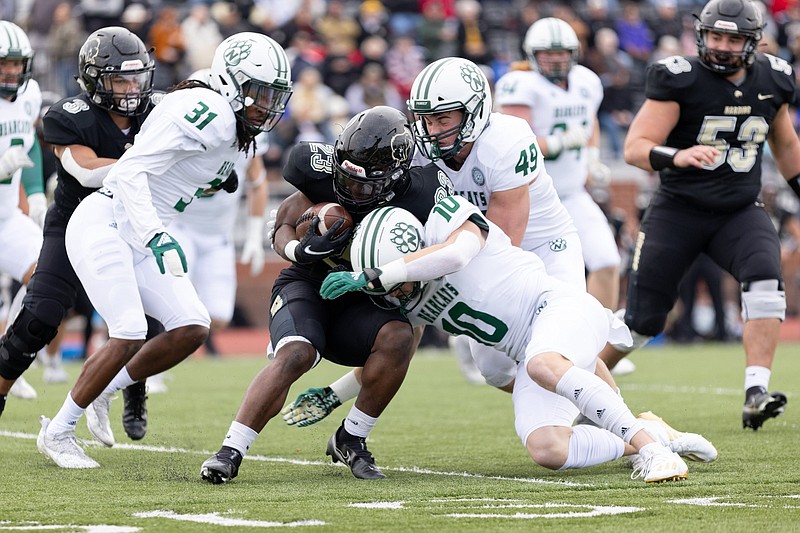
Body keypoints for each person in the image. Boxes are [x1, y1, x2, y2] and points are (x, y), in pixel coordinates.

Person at [283, 56, 598, 424]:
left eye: (444, 119)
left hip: (537, 246)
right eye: (425, 119)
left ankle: (621, 420)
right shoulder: (414, 149)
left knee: (561, 343)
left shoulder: (506, 141)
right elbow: (411, 312)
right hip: (464, 247)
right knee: (496, 370)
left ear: (475, 113)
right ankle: (583, 409)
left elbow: (503, 248)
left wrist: (434, 280)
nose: (431, 130)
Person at [320, 198, 717, 483]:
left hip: (558, 308)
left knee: (544, 362)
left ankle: (653, 451)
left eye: (396, 281)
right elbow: (395, 357)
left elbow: (457, 256)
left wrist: (383, 273)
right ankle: (648, 433)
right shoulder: (402, 293)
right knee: (548, 450)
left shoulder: (447, 222)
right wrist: (333, 394)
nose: (393, 294)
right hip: (528, 350)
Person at [36, 32, 293, 469]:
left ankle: (107, 388)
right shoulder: (210, 111)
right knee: (130, 330)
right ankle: (57, 431)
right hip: (109, 221)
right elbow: (132, 170)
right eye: (258, 93)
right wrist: (156, 234)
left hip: (137, 229)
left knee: (192, 325)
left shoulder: (226, 115)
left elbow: (181, 165)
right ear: (231, 84)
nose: (265, 105)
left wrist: (212, 180)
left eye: (273, 95)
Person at [199, 106, 455, 484]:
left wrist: (404, 278)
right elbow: (285, 222)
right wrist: (298, 251)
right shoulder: (314, 166)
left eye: (364, 185)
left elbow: (439, 260)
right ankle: (230, 451)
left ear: (396, 175)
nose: (351, 191)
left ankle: (351, 438)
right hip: (308, 283)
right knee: (296, 354)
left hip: (365, 298)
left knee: (400, 336)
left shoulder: (424, 194)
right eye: (344, 179)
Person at [598, 0, 795, 431]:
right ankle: (578, 382)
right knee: (642, 322)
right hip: (678, 212)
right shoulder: (680, 78)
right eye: (716, 36)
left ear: (753, 42)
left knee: (765, 278)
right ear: (702, 34)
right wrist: (678, 155)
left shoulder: (774, 77)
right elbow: (635, 147)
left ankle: (755, 393)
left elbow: (786, 146)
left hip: (738, 210)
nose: (722, 47)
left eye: (733, 38)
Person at [0, 27, 166, 442]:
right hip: (73, 222)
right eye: (118, 80)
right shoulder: (69, 114)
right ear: (94, 80)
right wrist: (149, 162)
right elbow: (86, 169)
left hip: (129, 225)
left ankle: (131, 388)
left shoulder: (160, 111)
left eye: (135, 78)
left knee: (151, 321)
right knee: (39, 319)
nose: (130, 89)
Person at [495, 17, 621, 314]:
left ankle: (600, 347)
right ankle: (471, 339)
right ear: (532, 55)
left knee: (606, 261)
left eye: (561, 53)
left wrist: (591, 156)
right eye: (547, 54)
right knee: (516, 278)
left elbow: (588, 121)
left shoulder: (587, 82)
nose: (555, 60)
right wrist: (559, 142)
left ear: (573, 54)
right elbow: (513, 143)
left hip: (573, 193)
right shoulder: (520, 85)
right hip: (529, 200)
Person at [0, 21, 50, 412]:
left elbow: (30, 145)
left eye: (17, 63)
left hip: (5, 218)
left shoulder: (29, 93)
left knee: (45, 275)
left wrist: (33, 194)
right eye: (4, 64)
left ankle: (6, 357)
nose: (12, 71)